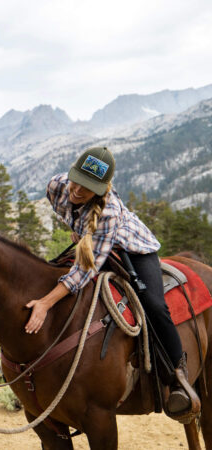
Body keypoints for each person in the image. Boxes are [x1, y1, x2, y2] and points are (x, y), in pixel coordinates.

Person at [25, 146, 200, 420]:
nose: (78, 191)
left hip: (133, 249)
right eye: (77, 181)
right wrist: (81, 233)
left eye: (88, 187)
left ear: (102, 189)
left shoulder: (109, 212)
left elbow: (83, 272)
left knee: (154, 305)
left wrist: (46, 302)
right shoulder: (56, 187)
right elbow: (72, 216)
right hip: (95, 242)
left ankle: (179, 375)